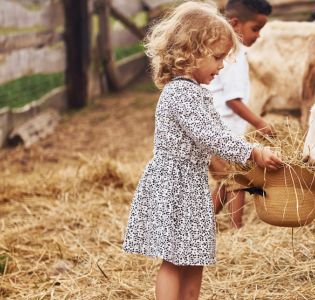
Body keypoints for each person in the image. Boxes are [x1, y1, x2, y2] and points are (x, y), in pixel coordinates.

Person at [121, 2, 283, 299]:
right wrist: (252, 152)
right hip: (174, 184)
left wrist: (248, 150)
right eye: (218, 57)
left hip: (192, 183)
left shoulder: (196, 91)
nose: (222, 66)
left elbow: (218, 133)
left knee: (195, 257)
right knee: (173, 259)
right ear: (191, 52)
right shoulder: (180, 92)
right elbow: (211, 137)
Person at [204, 0, 273, 229]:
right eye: (255, 28)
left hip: (218, 128)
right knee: (238, 180)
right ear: (235, 24)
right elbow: (232, 100)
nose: (259, 36)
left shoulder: (230, 52)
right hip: (221, 129)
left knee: (228, 181)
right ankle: (237, 231)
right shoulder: (232, 55)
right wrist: (260, 123)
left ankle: (203, 223)